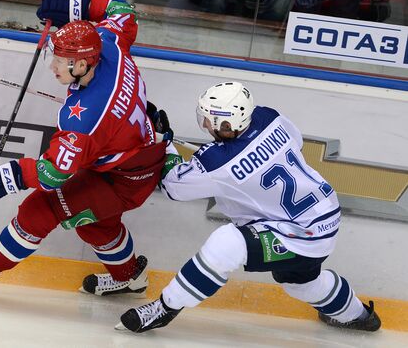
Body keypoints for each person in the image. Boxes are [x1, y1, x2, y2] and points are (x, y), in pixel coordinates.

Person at [0, 0, 175, 298]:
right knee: (96, 225)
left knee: (40, 209)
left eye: (61, 62)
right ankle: (131, 277)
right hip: (133, 158)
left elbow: (54, 174)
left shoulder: (83, 121)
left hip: (124, 178)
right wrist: (76, 3)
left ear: (83, 65)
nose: (53, 67)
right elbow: (122, 9)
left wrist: (7, 177)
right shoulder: (109, 41)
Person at [116, 81, 381, 333]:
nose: (206, 124)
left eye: (209, 119)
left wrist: (166, 144)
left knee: (227, 243)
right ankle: (359, 317)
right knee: (300, 284)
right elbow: (295, 142)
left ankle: (165, 308)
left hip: (301, 233)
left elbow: (174, 186)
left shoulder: (217, 161)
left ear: (227, 123)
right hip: (324, 214)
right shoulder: (269, 117)